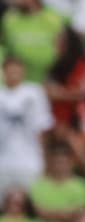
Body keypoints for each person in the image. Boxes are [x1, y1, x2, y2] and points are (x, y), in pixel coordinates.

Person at [0, 55, 55, 194]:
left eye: (16, 70)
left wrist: (46, 159)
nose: (13, 74)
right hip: (3, 162)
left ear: (23, 72)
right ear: (4, 72)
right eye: (10, 70)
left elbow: (43, 127)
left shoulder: (34, 92)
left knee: (29, 202)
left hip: (30, 161)